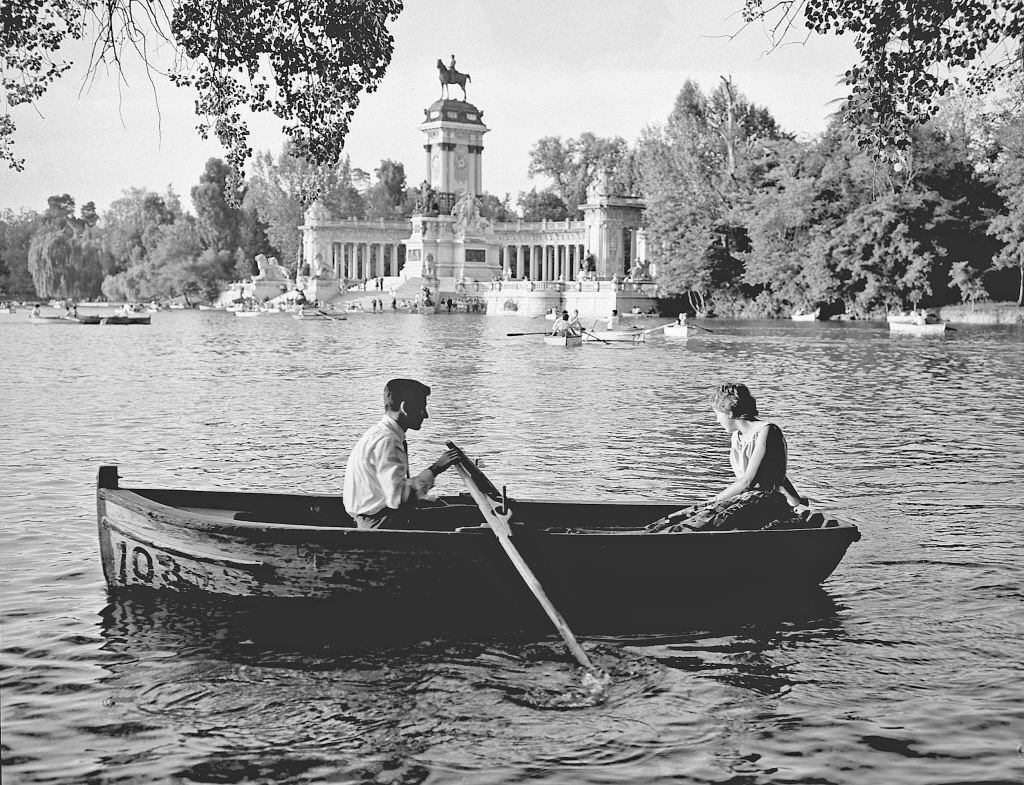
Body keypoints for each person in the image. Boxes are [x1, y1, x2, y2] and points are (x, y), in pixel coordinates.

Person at [647, 384, 810, 533]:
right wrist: (795, 500)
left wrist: (714, 500)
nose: (717, 420)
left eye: (718, 414)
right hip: (744, 499)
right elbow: (774, 473)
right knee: (675, 520)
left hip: (762, 501)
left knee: (696, 524)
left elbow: (749, 481)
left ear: (730, 412)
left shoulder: (767, 431)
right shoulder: (736, 437)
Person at [343, 379, 460, 529]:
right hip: (378, 524)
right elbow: (398, 499)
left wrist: (424, 499)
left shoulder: (380, 433)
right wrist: (436, 468)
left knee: (442, 506)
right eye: (421, 408)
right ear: (405, 408)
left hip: (373, 516)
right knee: (465, 514)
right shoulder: (388, 440)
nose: (426, 415)